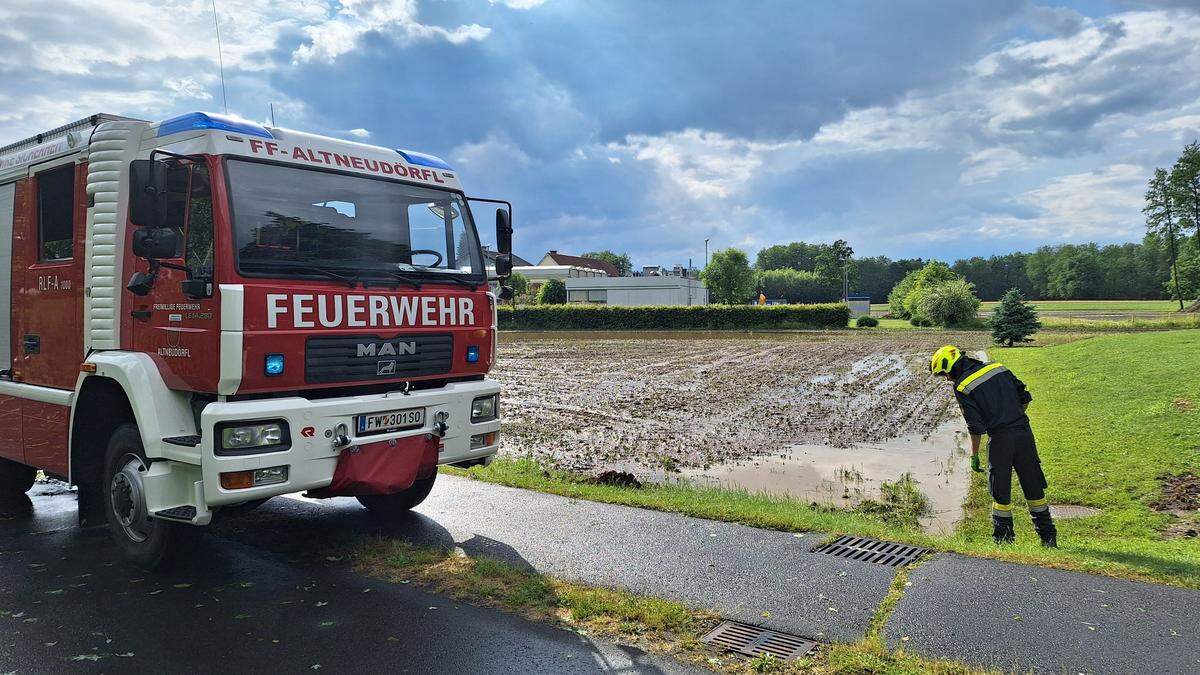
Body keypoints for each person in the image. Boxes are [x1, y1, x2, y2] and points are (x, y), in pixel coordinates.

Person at [930, 345, 1057, 547]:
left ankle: (1004, 541)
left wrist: (974, 455)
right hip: (1024, 433)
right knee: (1033, 484)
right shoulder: (999, 367)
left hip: (1000, 439)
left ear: (951, 367)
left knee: (1000, 491)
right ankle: (1048, 538)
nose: (946, 379)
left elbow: (975, 427)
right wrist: (1014, 416)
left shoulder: (963, 386)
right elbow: (1024, 398)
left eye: (944, 374)